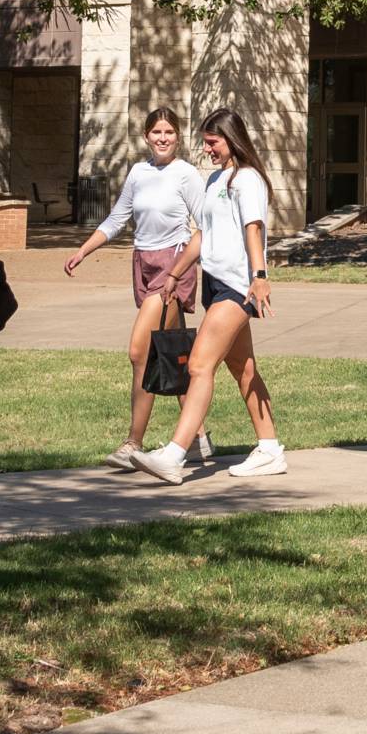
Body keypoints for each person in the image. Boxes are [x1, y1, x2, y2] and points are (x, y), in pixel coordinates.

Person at [131, 105, 285, 481]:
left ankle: (176, 453)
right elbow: (202, 234)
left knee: (199, 364)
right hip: (217, 285)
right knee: (242, 367)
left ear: (231, 139)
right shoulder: (216, 179)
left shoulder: (247, 180)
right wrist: (175, 273)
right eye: (205, 143)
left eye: (213, 142)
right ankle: (270, 449)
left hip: (238, 286)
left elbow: (253, 228)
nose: (208, 149)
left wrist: (260, 276)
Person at [61, 107, 214, 472]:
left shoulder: (186, 174)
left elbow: (205, 225)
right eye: (156, 132)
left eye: (170, 132)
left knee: (139, 350)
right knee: (171, 354)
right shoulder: (138, 172)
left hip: (174, 266)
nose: (163, 138)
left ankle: (133, 443)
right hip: (143, 264)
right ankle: (198, 439)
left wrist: (182, 270)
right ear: (146, 136)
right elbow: (117, 218)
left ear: (178, 137)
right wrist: (84, 250)